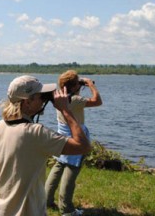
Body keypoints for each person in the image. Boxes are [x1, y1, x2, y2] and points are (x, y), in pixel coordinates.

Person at [0, 75, 91, 216]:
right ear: (27, 102)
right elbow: (83, 146)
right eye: (40, 97)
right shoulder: (37, 133)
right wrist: (66, 110)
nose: (44, 101)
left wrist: (10, 172)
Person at [45, 70, 102, 216]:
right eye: (78, 82)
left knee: (58, 167)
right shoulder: (75, 101)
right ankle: (67, 209)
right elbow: (97, 101)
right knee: (71, 170)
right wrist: (90, 84)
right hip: (76, 139)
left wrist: (77, 85)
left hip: (61, 137)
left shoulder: (59, 97)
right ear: (73, 86)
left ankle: (46, 200)